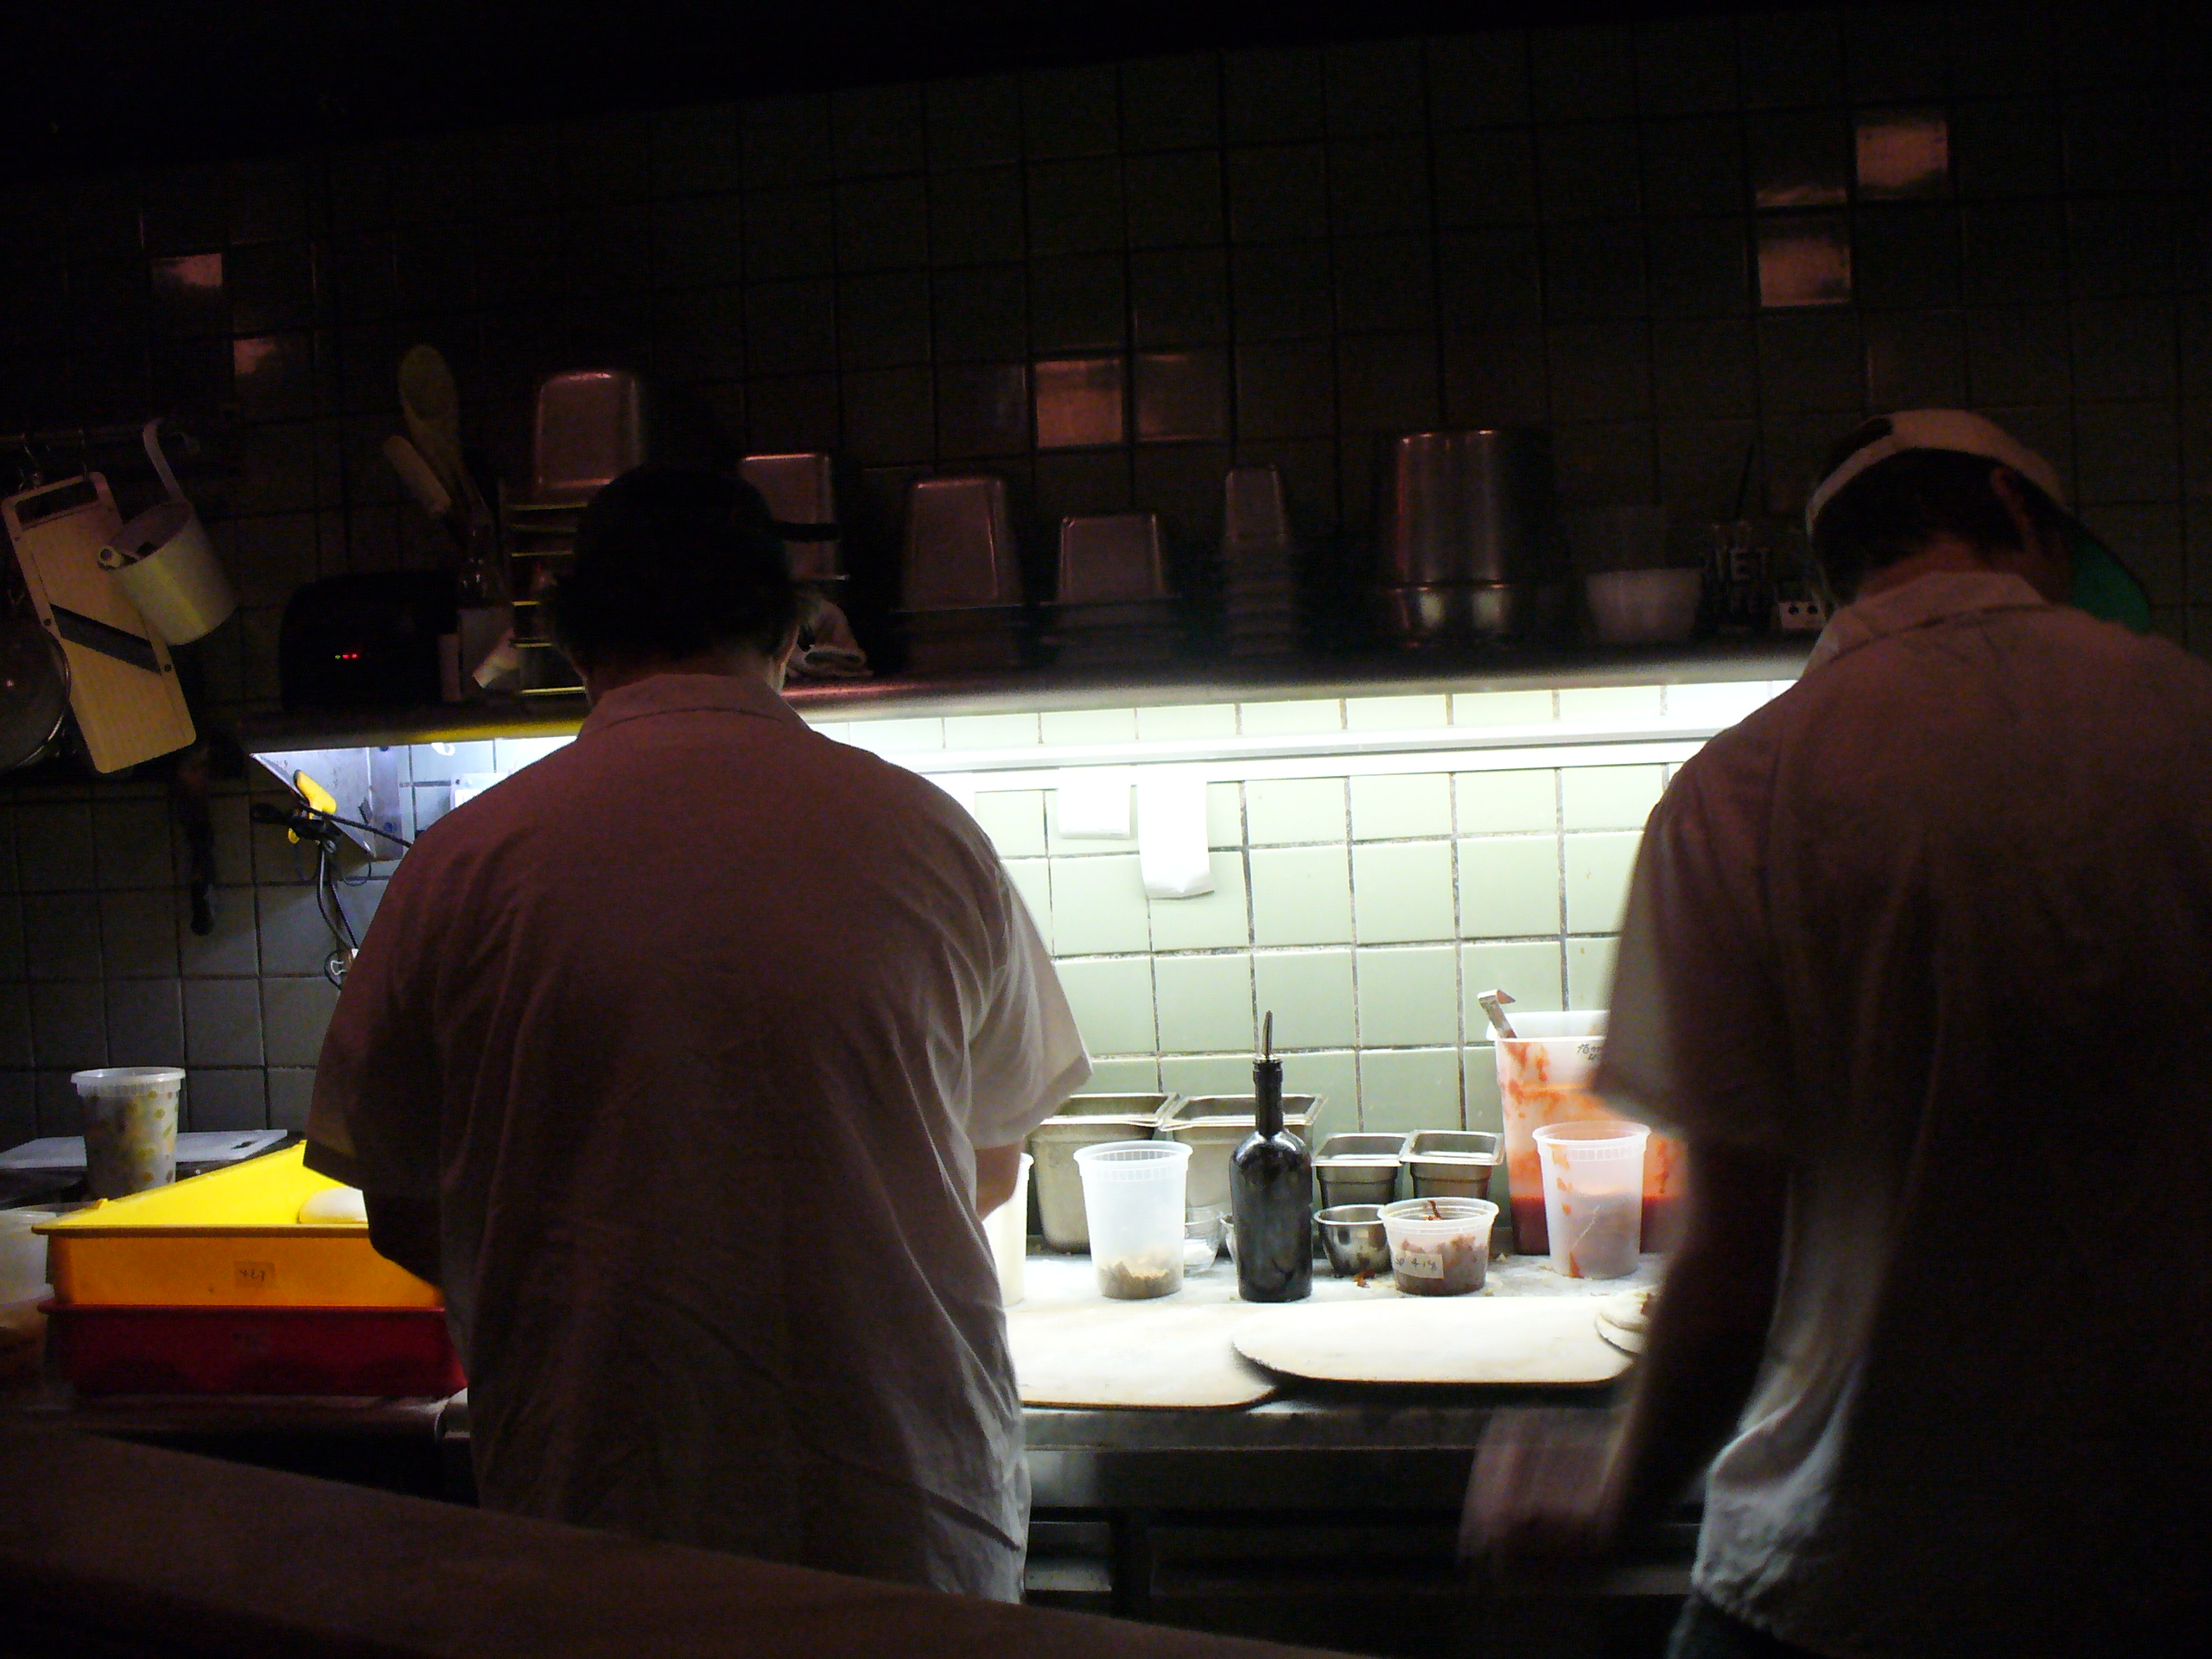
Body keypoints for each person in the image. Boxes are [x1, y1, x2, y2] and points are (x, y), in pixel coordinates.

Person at [1463, 410, 2212, 1656]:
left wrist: (1610, 1505)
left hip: (1856, 1574)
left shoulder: (1743, 790)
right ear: (2018, 515)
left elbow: (1729, 1274)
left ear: (1838, 570)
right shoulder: (2194, 720)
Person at [306, 466, 1090, 1602]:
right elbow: (985, 1167)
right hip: (906, 1520)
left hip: (600, 1522)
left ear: (574, 645)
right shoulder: (926, 835)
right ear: (791, 633)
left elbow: (404, 1212)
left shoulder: (462, 864)